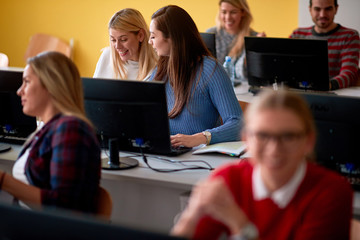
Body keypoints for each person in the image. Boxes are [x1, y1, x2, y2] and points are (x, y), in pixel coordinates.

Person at [172, 89, 353, 239]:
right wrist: (191, 216)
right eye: (263, 136)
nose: (274, 149)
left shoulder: (331, 192)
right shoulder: (228, 180)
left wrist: (242, 227)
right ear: (246, 139)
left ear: (308, 141)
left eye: (288, 136)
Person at [0, 51, 101, 213]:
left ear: (51, 85)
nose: (20, 91)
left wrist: (4, 181)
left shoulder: (71, 129)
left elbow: (64, 207)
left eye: (27, 82)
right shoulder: (49, 129)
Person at [148, 5, 242, 148]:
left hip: (199, 158)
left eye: (154, 36)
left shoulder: (211, 70)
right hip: (167, 155)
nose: (150, 41)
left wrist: (200, 138)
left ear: (172, 37)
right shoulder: (159, 71)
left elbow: (237, 124)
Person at [290, 0, 360, 90]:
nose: (322, 14)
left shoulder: (350, 36)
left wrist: (326, 86)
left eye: (328, 9)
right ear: (310, 10)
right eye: (317, 9)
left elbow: (349, 74)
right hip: (300, 93)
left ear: (336, 9)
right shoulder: (298, 34)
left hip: (333, 95)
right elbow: (287, 68)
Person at [206, 0, 265, 83]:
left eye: (233, 12)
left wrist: (253, 47)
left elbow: (241, 74)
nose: (228, 17)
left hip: (242, 91)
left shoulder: (253, 37)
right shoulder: (211, 33)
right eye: (224, 12)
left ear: (243, 12)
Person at [94, 8, 157, 80]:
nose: (117, 46)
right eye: (113, 40)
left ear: (140, 35)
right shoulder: (107, 55)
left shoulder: (157, 66)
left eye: (123, 40)